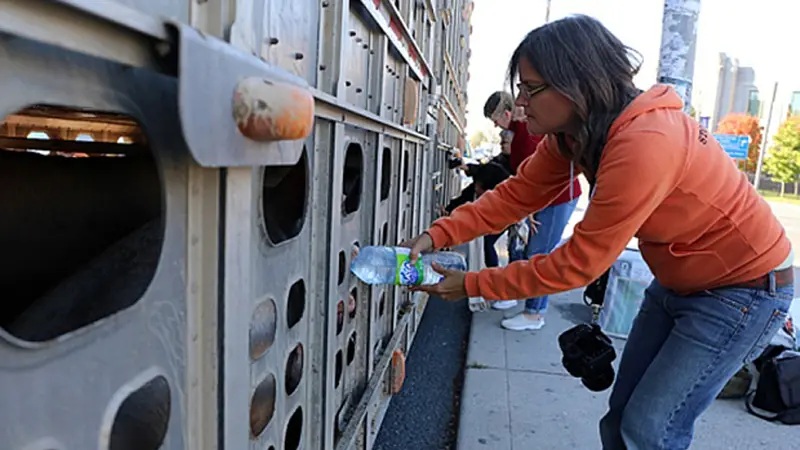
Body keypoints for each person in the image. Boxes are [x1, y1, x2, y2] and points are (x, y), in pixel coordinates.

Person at [400, 14, 794, 450]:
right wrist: (438, 234)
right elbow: (516, 195)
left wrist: (473, 283)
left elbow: (579, 263)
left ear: (577, 83)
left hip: (744, 290)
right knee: (622, 417)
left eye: (531, 88)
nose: (521, 101)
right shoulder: (574, 135)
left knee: (649, 429)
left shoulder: (644, 143)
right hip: (678, 282)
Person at [482, 91, 582, 321]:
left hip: (558, 198)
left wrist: (532, 210)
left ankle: (534, 314)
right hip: (550, 197)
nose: (497, 127)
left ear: (506, 114)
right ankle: (521, 299)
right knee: (526, 250)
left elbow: (540, 179)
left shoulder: (526, 137)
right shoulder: (519, 134)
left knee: (538, 253)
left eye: (496, 121)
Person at [442, 131, 514, 269]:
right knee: (487, 241)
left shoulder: (504, 178)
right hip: (504, 209)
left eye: (504, 142)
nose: (501, 145)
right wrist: (449, 209)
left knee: (489, 241)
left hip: (509, 213)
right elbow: (468, 194)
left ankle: (494, 274)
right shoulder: (492, 169)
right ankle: (493, 273)